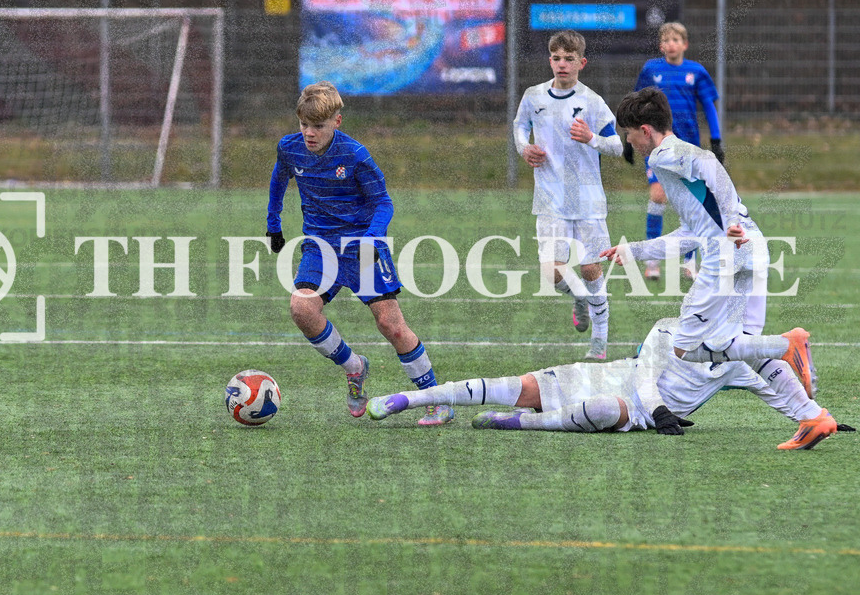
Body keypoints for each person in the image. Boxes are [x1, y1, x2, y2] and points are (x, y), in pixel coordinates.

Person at [601, 87, 819, 405]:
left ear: (645, 131)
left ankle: (786, 344)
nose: (629, 142)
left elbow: (711, 164)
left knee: (685, 349)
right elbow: (692, 234)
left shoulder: (663, 156)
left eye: (629, 134)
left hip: (729, 254)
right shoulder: (676, 164)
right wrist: (634, 251)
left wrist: (731, 219)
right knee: (745, 350)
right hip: (753, 247)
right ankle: (812, 416)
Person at [265, 81, 453, 426]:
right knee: (301, 308)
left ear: (337, 121)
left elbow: (383, 202)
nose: (309, 133)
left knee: (391, 326)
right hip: (320, 248)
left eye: (318, 126)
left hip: (363, 249)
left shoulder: (355, 156)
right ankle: (354, 367)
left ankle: (437, 399)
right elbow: (280, 179)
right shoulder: (289, 148)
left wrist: (371, 239)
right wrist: (273, 222)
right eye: (304, 125)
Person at [366, 318, 842, 450]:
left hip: (628, 412)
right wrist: (659, 414)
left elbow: (777, 388)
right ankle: (410, 397)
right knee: (506, 384)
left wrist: (813, 416)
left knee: (606, 411)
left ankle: (514, 425)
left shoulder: (737, 362)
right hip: (610, 380)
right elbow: (642, 377)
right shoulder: (669, 330)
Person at [513, 30, 623, 360]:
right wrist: (524, 149)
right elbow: (519, 127)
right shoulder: (533, 96)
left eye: (569, 59)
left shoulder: (592, 102)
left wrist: (591, 138)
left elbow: (617, 146)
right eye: (557, 58)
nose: (562, 64)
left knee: (591, 270)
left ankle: (599, 346)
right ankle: (580, 298)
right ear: (550, 60)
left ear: (581, 63)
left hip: (587, 200)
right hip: (550, 199)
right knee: (552, 272)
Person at [631, 22, 723, 280]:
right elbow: (636, 103)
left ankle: (689, 261)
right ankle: (652, 260)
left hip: (688, 148)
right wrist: (630, 135)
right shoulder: (652, 69)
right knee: (658, 194)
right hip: (656, 148)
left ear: (685, 44)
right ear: (661, 45)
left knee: (693, 202)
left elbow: (708, 105)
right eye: (666, 40)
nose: (671, 44)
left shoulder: (696, 71)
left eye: (676, 40)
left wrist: (716, 140)